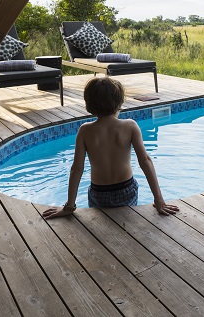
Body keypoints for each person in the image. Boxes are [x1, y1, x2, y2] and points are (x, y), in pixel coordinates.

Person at [42, 77, 179, 219]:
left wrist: (69, 206)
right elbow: (145, 161)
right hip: (126, 190)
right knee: (128, 222)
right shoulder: (130, 126)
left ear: (89, 103)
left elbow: (77, 168)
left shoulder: (85, 131)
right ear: (119, 103)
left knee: (102, 225)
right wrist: (159, 199)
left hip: (98, 193)